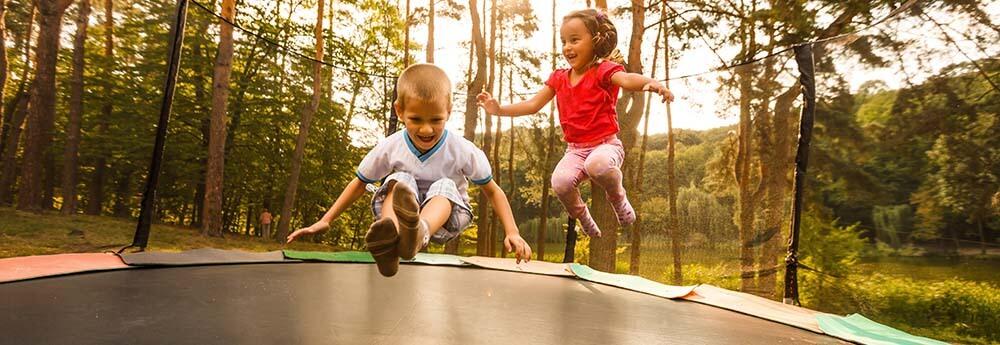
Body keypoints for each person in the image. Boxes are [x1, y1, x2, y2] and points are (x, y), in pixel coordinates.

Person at [286, 63, 532, 277]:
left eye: (436, 120)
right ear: (400, 111)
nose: (426, 130)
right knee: (399, 180)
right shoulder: (390, 147)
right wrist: (325, 220)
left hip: (447, 217)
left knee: (444, 185)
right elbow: (359, 183)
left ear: (448, 111)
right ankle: (393, 241)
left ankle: (417, 233)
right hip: (403, 212)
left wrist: (513, 232)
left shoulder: (461, 149)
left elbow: (493, 191)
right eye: (416, 119)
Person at [477, 9, 674, 238]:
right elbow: (533, 105)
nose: (567, 47)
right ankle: (582, 216)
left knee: (598, 165)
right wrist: (498, 110)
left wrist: (653, 84)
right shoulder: (559, 78)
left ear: (596, 40)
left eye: (575, 40)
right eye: (564, 41)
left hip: (605, 145)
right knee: (560, 183)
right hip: (575, 150)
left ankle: (618, 197)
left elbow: (628, 79)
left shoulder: (603, 71)